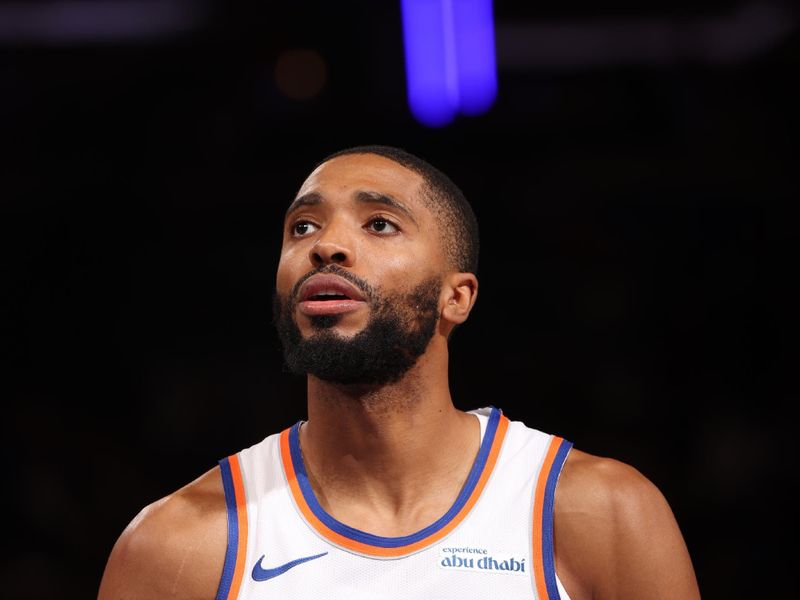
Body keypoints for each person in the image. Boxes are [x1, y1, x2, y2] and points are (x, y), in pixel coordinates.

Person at [97, 145, 701, 600]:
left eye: (379, 223)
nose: (325, 246)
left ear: (456, 298)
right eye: (302, 227)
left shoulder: (601, 514)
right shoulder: (176, 547)